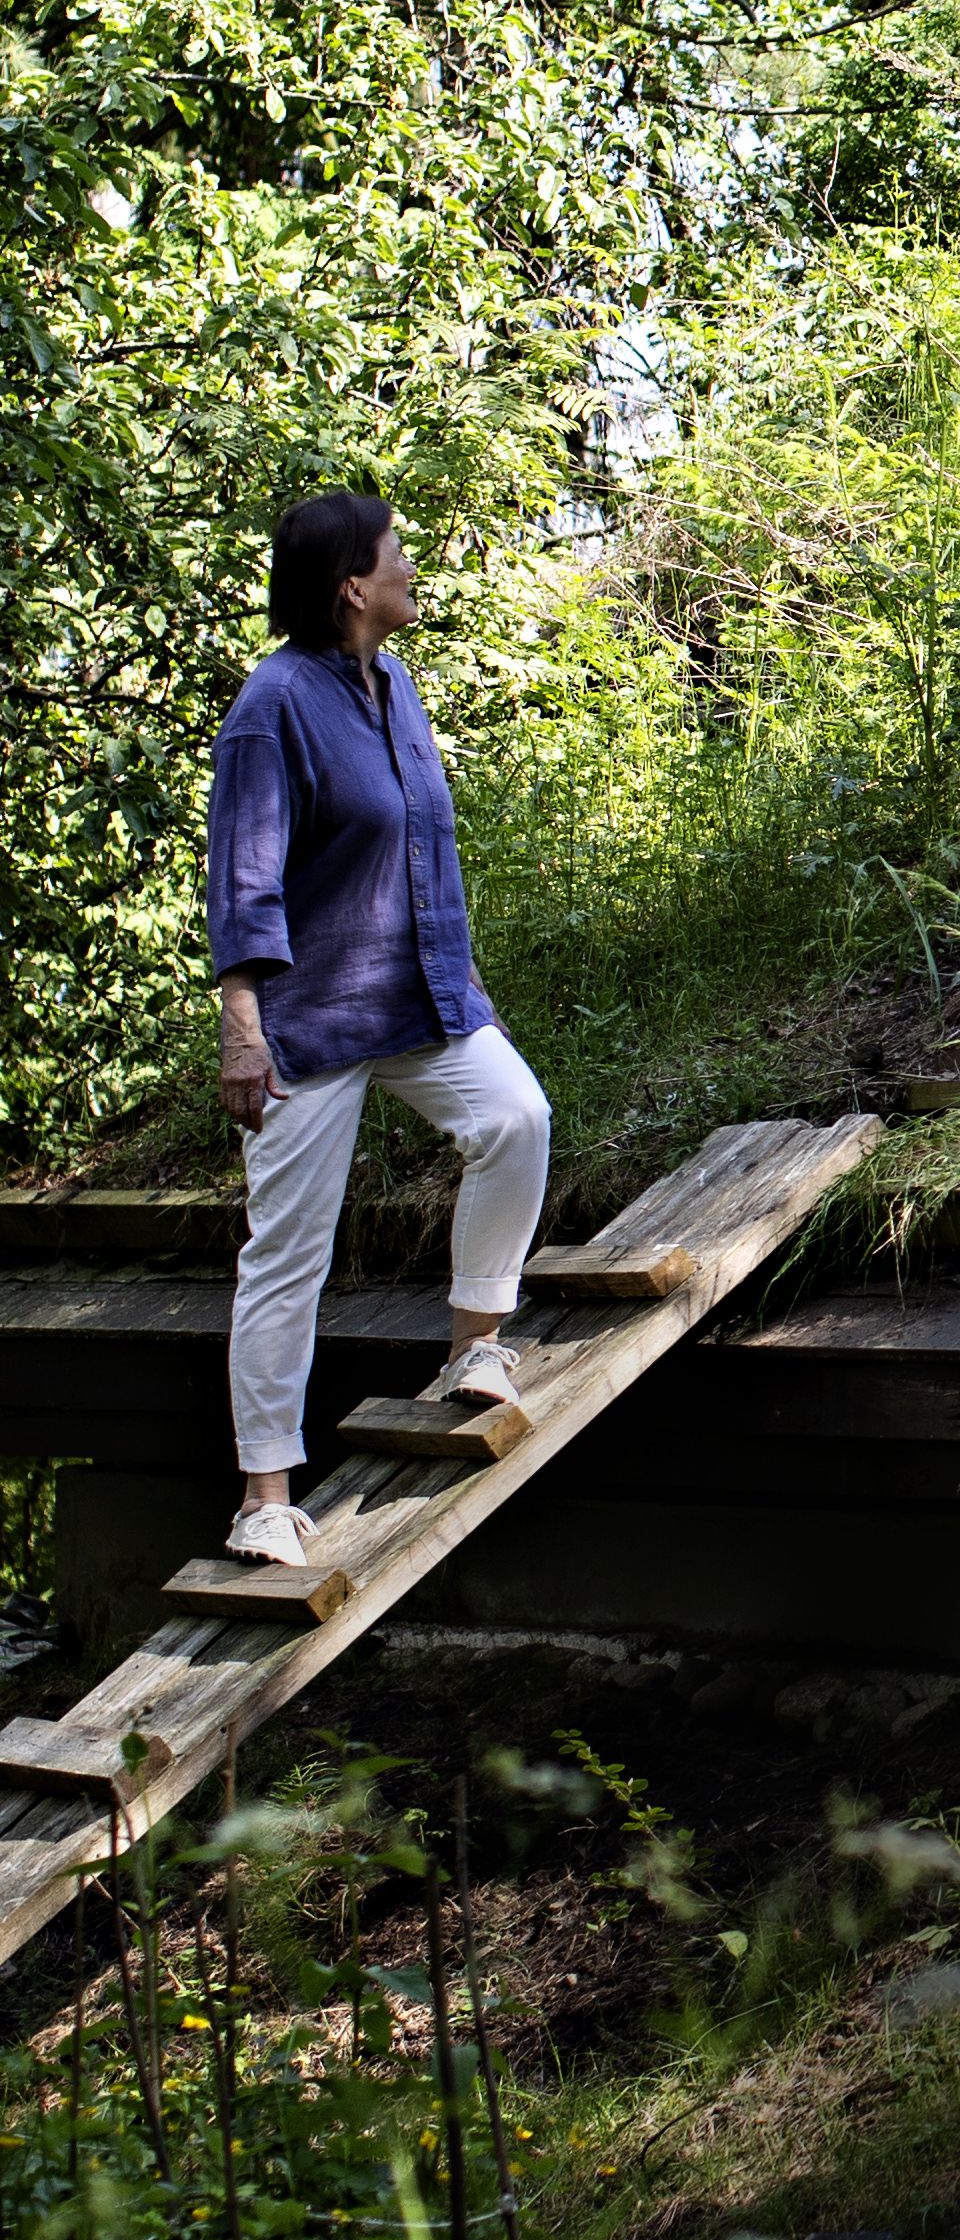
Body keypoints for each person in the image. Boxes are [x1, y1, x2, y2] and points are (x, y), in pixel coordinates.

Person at [207, 489, 551, 1568]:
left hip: (415, 998)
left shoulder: (393, 684)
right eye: (395, 551)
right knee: (288, 1256)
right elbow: (243, 879)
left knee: (517, 1117)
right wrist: (242, 1026)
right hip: (307, 1020)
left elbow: (422, 848)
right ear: (352, 585)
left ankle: (473, 1349)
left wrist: (464, 980)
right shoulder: (273, 706)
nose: (412, 562)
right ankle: (265, 1496)